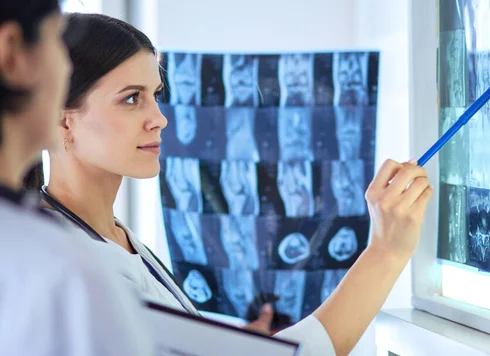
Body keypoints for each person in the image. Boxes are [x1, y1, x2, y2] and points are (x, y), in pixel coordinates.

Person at [23, 12, 434, 356]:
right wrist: (386, 251)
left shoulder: (115, 239)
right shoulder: (81, 268)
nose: (160, 118)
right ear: (62, 120)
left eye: (156, 94)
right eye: (132, 98)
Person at [0, 1, 153, 354]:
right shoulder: (59, 267)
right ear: (12, 53)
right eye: (56, 41)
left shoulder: (63, 255)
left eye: (155, 94)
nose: (159, 119)